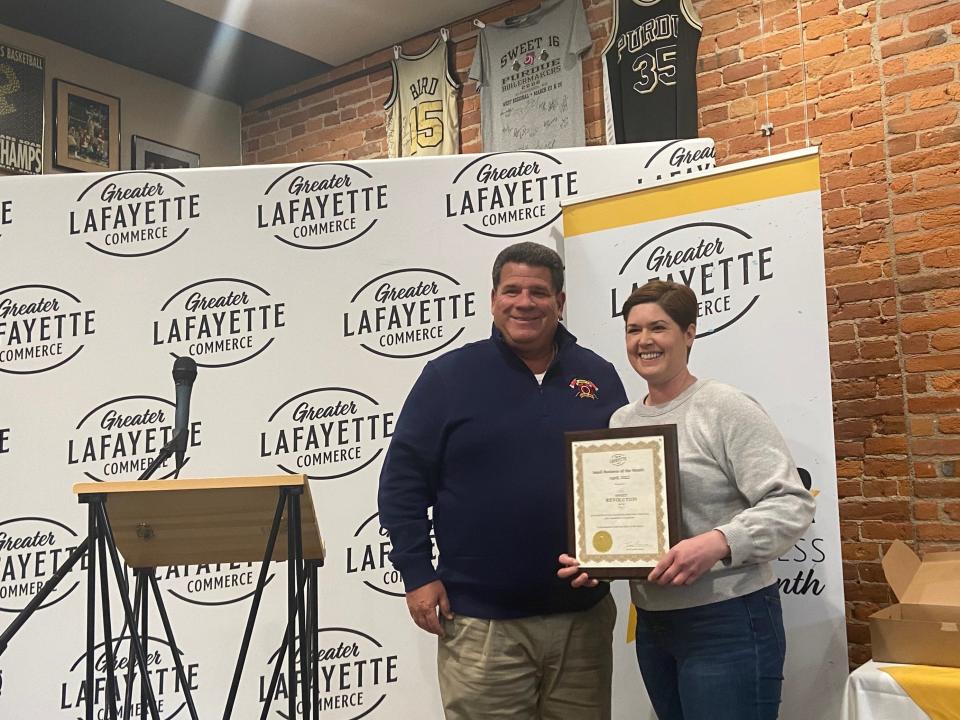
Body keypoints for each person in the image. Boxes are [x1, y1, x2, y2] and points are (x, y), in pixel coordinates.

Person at [378, 241, 627, 720]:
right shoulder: (448, 377)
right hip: (480, 625)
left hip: (583, 621)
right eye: (511, 290)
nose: (524, 302)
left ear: (561, 302)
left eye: (538, 291)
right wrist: (416, 573)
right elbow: (402, 484)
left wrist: (616, 556)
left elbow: (619, 479)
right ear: (493, 300)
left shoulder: (599, 375)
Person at [559, 280, 814, 720]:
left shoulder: (723, 406)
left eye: (658, 327)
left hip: (729, 620)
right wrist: (598, 563)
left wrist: (719, 541)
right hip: (654, 625)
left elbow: (792, 502)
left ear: (689, 333)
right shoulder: (621, 421)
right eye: (633, 330)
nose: (644, 341)